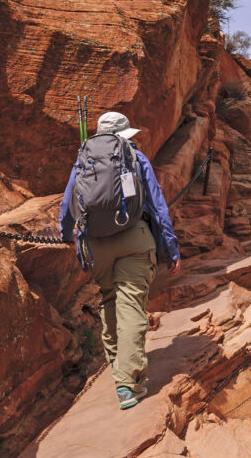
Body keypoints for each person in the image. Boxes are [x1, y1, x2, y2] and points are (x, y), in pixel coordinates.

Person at [59, 111, 181, 410]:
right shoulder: (135, 157)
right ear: (124, 135)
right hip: (134, 238)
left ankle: (119, 368)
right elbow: (157, 205)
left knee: (110, 300)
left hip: (96, 244)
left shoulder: (84, 157)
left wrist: (69, 235)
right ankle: (128, 383)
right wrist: (172, 249)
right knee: (130, 306)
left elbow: (67, 203)